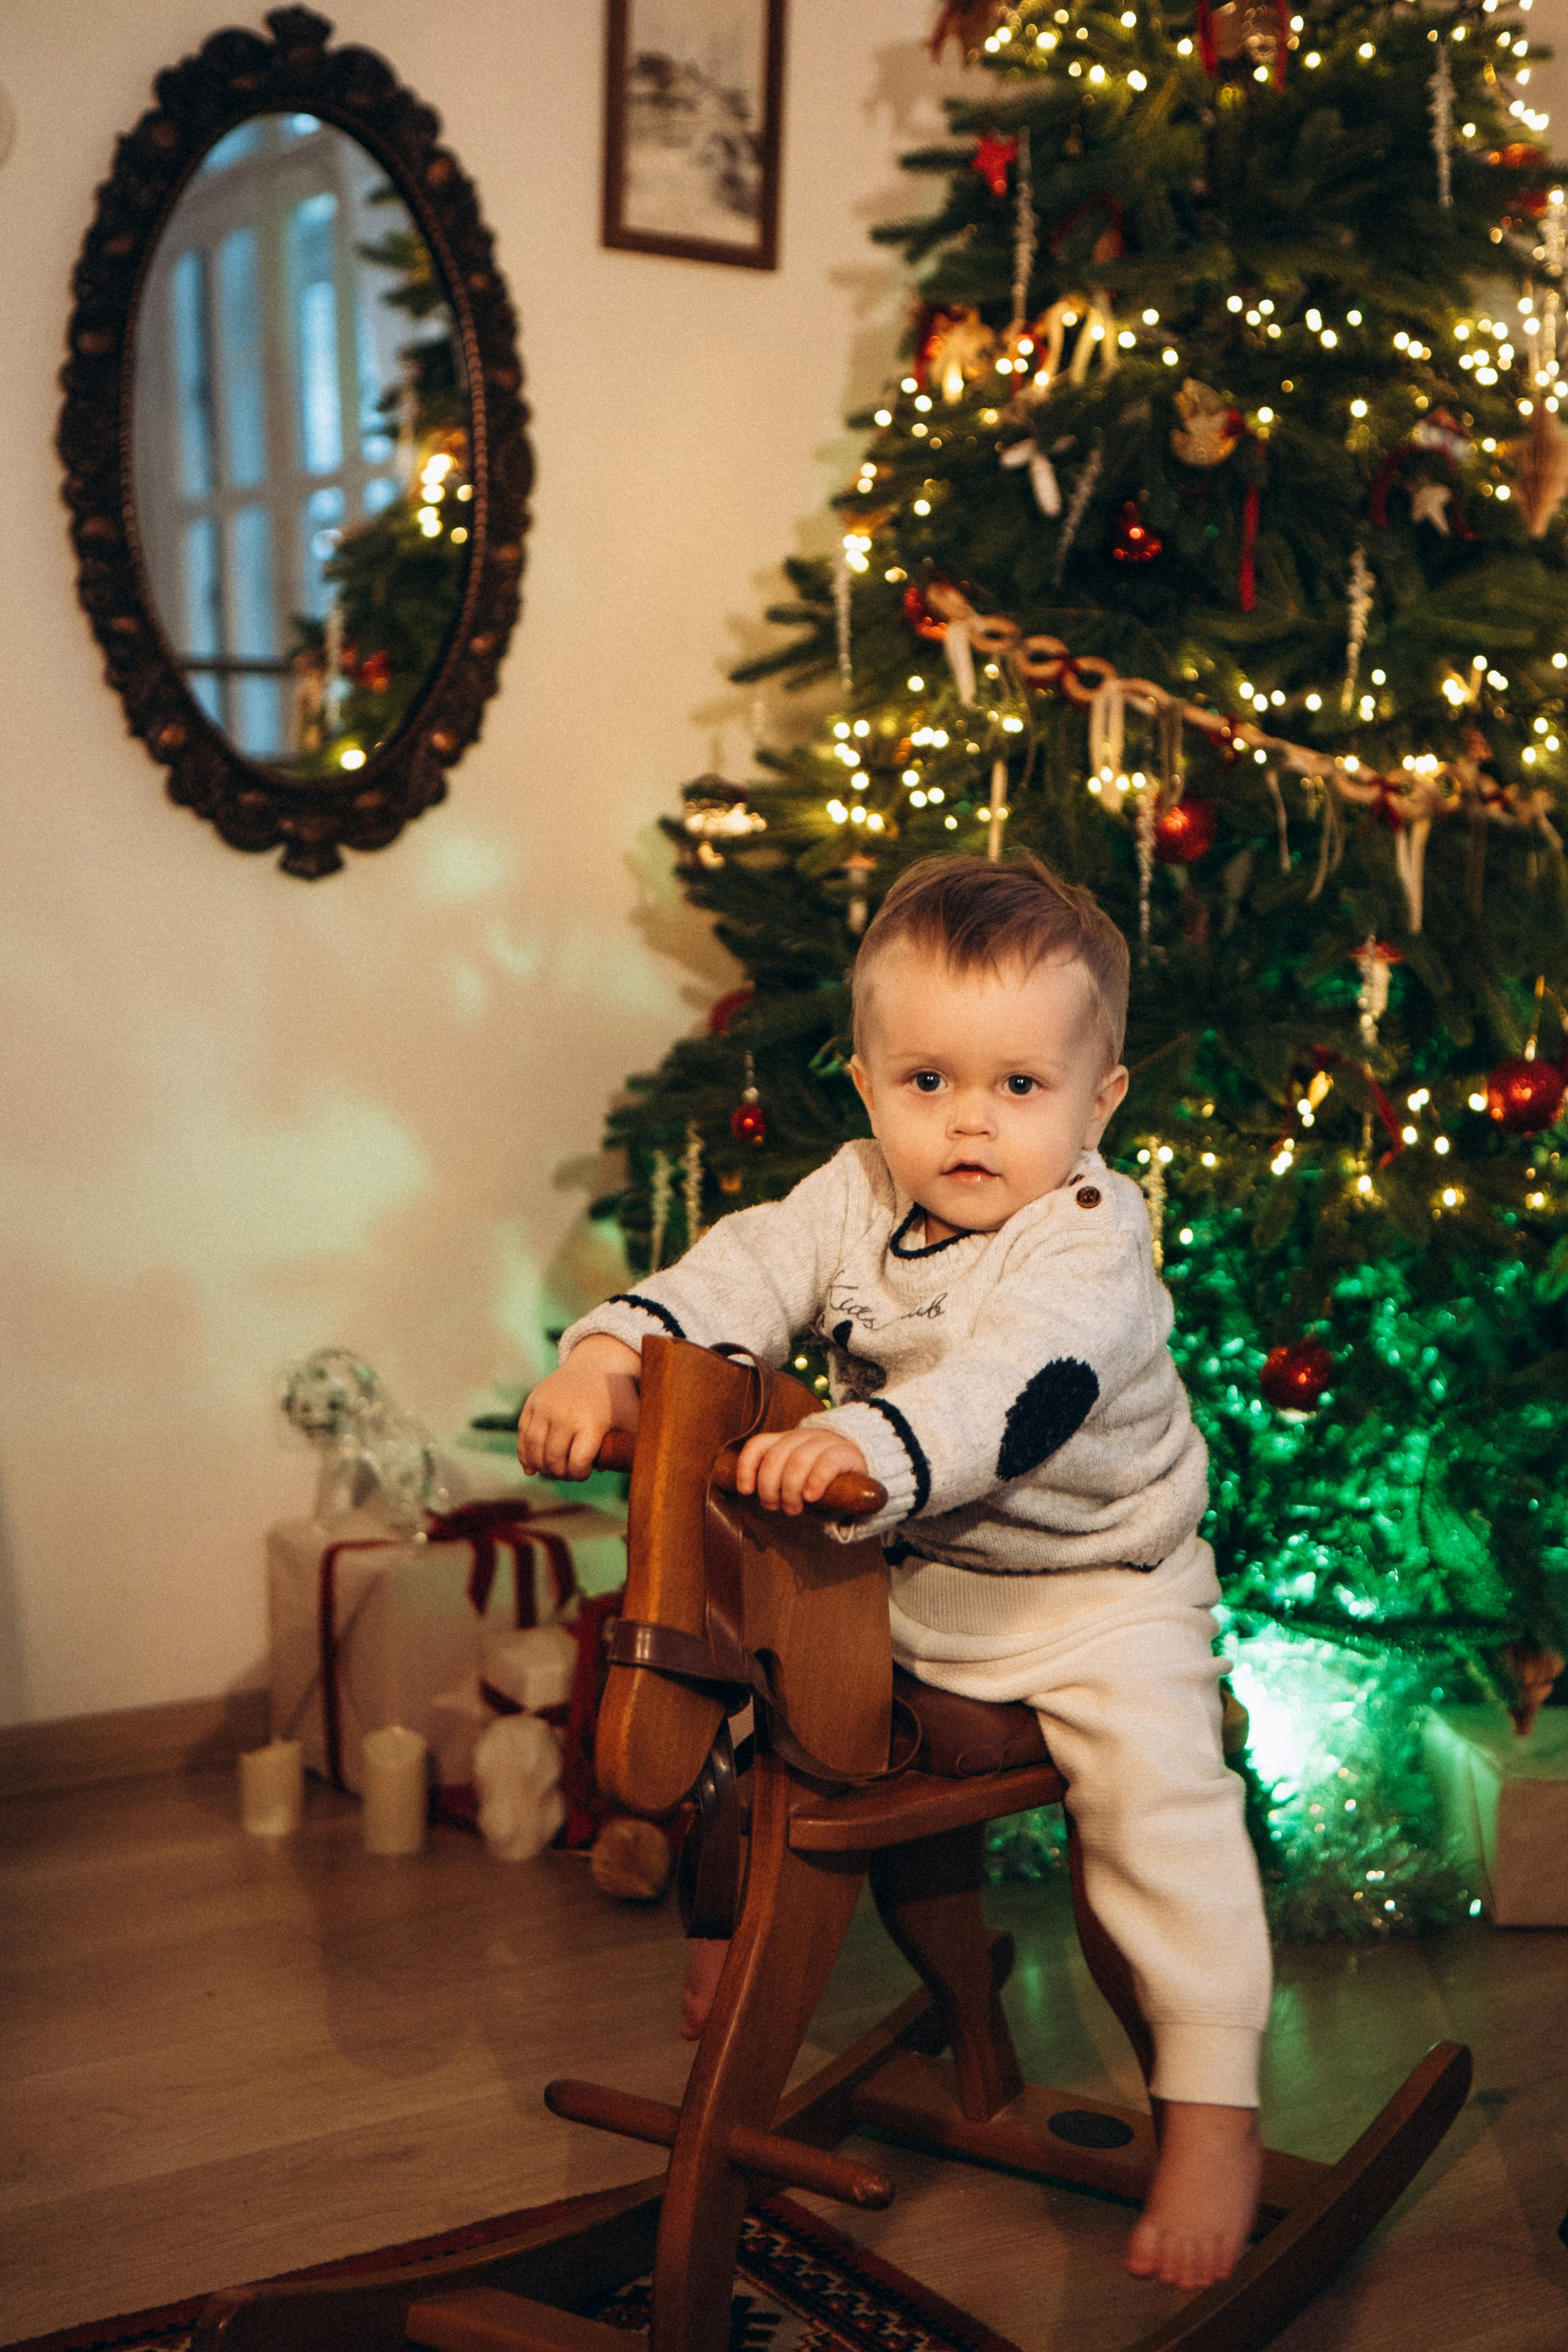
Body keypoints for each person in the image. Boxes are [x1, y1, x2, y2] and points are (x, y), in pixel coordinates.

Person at [521, 853, 1271, 2294]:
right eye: (925, 1080)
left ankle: (1213, 2106)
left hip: (1100, 1595)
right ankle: (733, 1929)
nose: (969, 1121)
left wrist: (864, 1442)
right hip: (924, 1573)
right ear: (863, 1082)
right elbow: (740, 1273)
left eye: (1018, 1087)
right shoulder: (853, 1191)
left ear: (1098, 1101)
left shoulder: (1089, 1244)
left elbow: (1014, 1389)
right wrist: (612, 1355)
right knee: (765, 1681)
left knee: (1159, 1811)